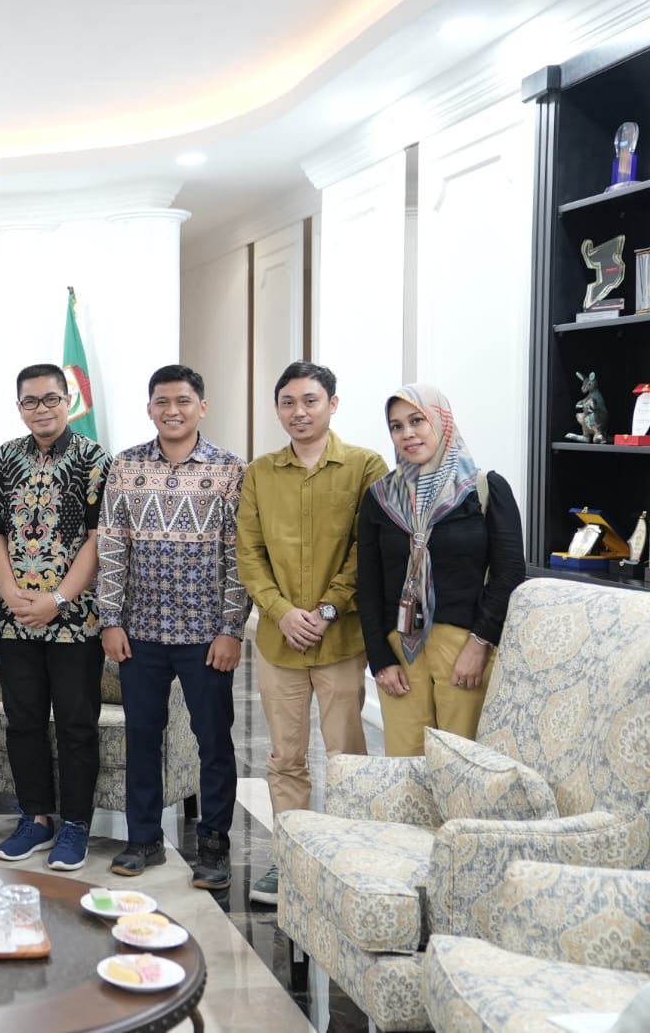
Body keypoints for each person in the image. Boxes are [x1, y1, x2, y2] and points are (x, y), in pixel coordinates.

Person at [237, 361, 388, 906]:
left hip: (340, 640)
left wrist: (326, 608)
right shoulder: (260, 473)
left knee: (346, 754)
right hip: (279, 642)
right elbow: (249, 553)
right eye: (288, 402)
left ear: (332, 404)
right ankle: (291, 860)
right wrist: (280, 612)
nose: (299, 412)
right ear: (277, 409)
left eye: (310, 401)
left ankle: (349, 859)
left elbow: (366, 550)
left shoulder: (366, 466)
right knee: (285, 758)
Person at [99, 365, 245, 889]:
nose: (172, 410)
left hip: (206, 635)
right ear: (149, 409)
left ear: (202, 407)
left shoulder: (231, 471)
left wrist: (232, 629)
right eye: (162, 401)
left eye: (183, 401)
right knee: (142, 738)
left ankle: (214, 846)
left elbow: (241, 556)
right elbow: (111, 547)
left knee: (214, 741)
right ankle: (143, 839)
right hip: (140, 632)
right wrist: (109, 620)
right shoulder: (125, 467)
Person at [0, 363, 110, 871]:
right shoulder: (4, 457)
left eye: (51, 398)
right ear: (19, 408)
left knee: (77, 724)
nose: (41, 409)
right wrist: (10, 593)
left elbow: (99, 539)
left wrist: (56, 599)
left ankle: (75, 824)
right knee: (23, 723)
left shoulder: (94, 458)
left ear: (68, 401)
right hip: (15, 618)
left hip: (75, 620)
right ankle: (35, 818)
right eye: (30, 401)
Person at [358, 384, 525, 757]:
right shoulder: (380, 498)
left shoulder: (483, 489)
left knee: (462, 762)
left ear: (441, 421)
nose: (408, 433)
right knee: (405, 762)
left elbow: (509, 573)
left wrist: (479, 644)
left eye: (417, 421)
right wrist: (379, 659)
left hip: (465, 647)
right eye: (396, 426)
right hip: (401, 648)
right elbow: (368, 584)